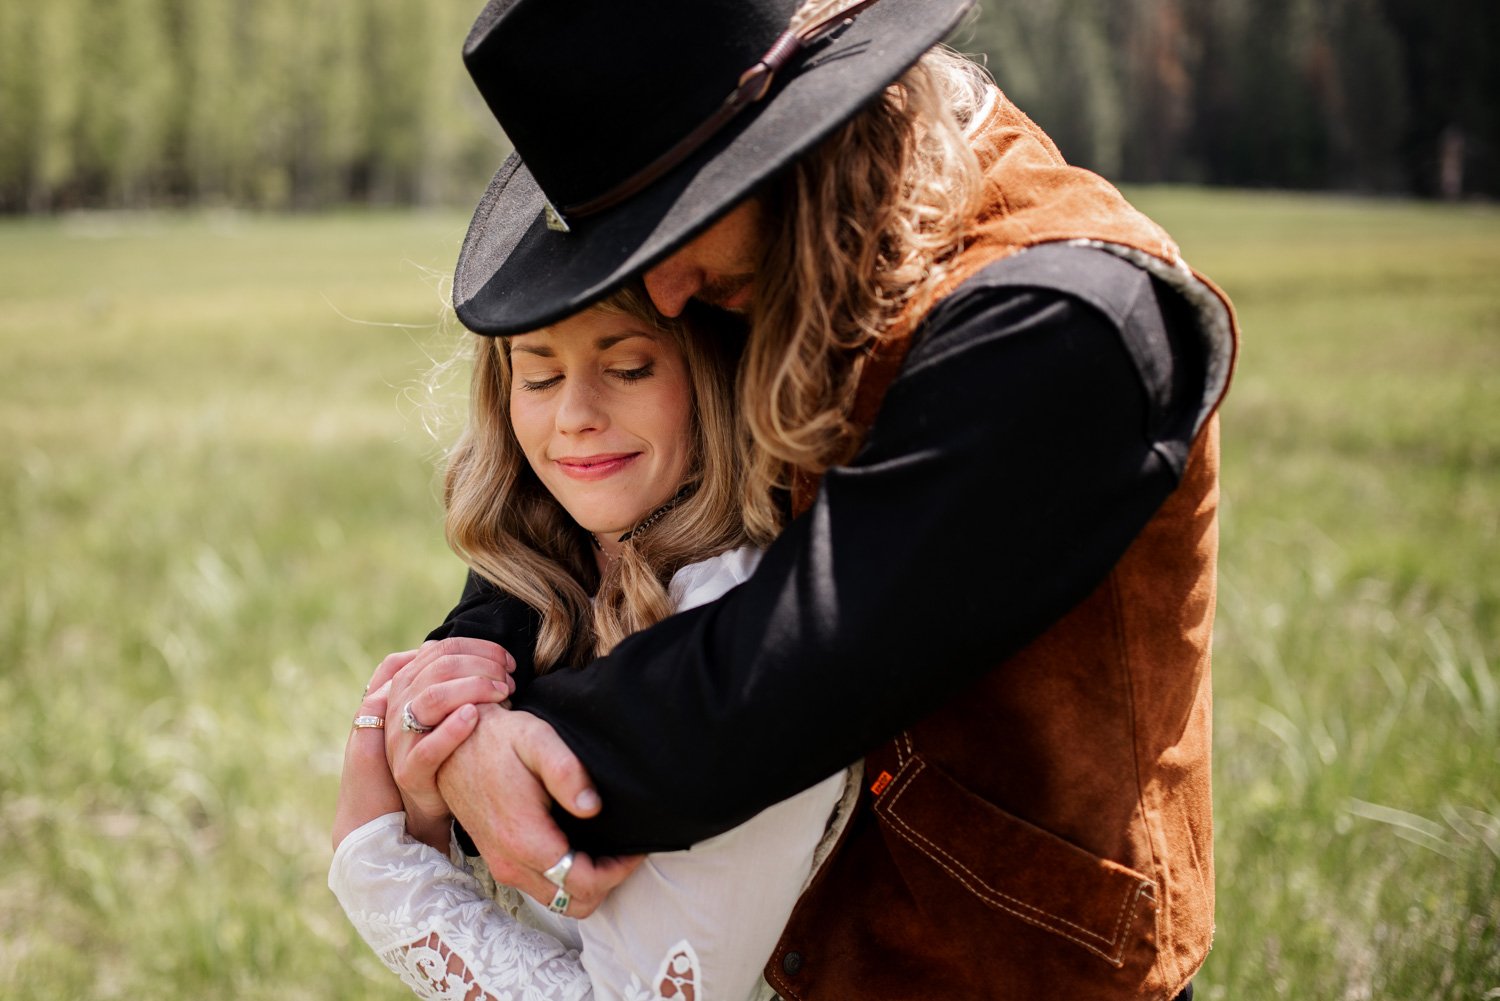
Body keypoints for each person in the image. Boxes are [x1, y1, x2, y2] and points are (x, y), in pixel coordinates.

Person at [390, 0, 1241, 997]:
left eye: (671, 221)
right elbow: (598, 498)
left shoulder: (1063, 325)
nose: (658, 294)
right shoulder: (767, 242)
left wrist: (515, 752)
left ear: (800, 128)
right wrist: (472, 670)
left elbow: (788, 676)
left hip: (1023, 965)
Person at [330, 286, 855, 1001]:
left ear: (714, 375)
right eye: (539, 376)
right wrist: (430, 809)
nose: (576, 416)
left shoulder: (740, 622)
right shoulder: (549, 581)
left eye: (630, 367)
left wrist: (383, 873)